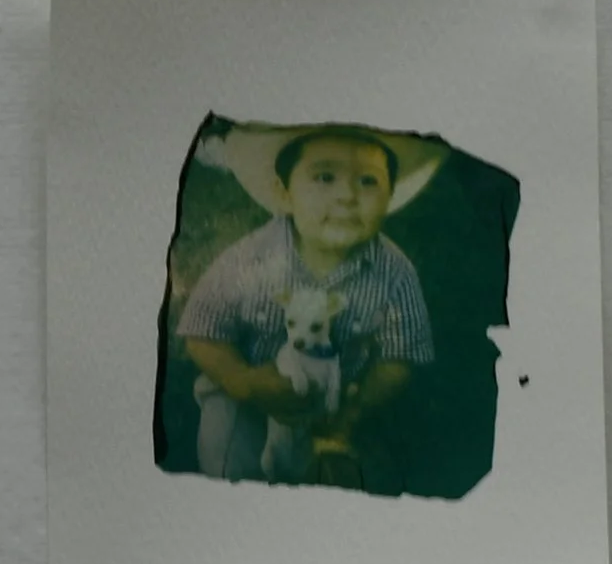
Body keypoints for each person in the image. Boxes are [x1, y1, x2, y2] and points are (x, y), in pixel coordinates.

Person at [171, 123, 437, 489]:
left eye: (368, 181)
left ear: (389, 196)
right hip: (246, 392)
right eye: (325, 177)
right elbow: (202, 330)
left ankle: (326, 457)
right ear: (284, 193)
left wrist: (354, 409)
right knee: (229, 463)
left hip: (334, 400)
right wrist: (242, 381)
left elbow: (400, 355)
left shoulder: (395, 272)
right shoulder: (251, 259)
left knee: (337, 482)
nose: (347, 196)